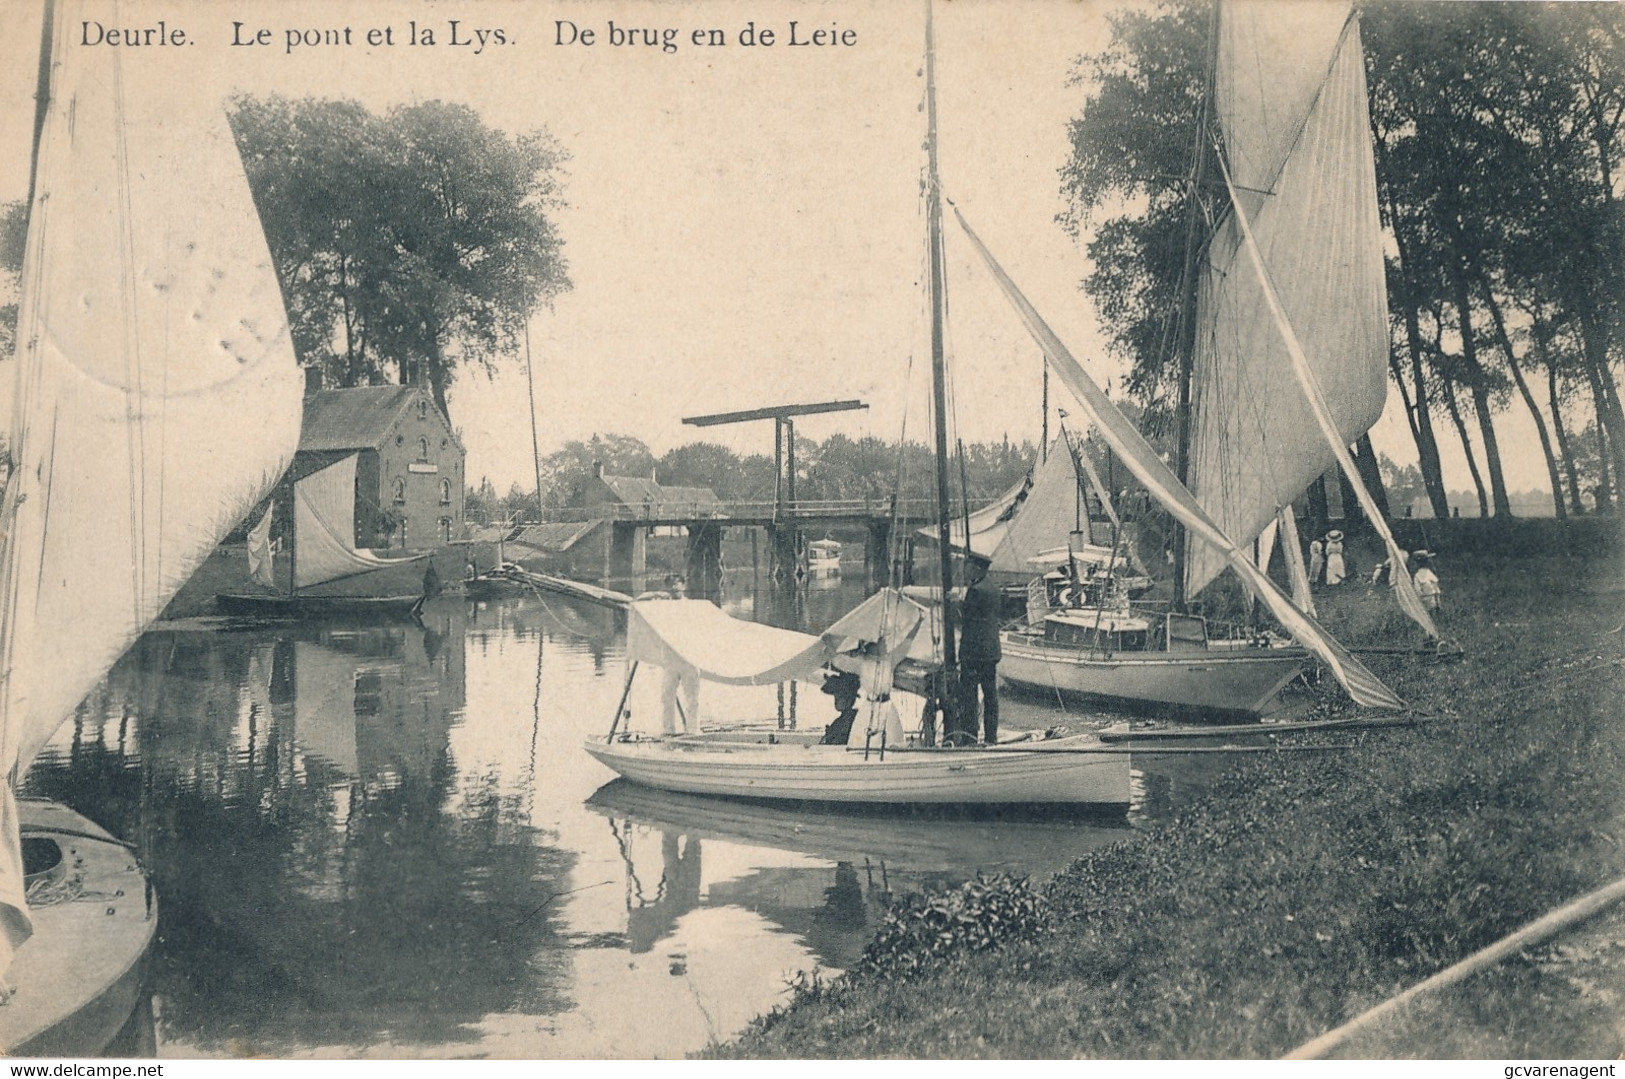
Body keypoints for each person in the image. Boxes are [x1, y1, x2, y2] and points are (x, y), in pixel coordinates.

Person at [956, 552, 1002, 746]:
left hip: (974, 652)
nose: (964, 570)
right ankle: (991, 737)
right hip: (990, 651)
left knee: (969, 695)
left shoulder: (976, 590)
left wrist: (954, 603)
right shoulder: (992, 587)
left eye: (966, 566)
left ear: (975, 567)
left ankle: (969, 736)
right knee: (990, 694)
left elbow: (966, 618)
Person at [1413, 550, 1442, 615]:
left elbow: (1418, 592)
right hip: (1431, 602)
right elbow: (1437, 590)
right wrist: (1438, 603)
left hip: (1427, 602)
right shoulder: (1429, 574)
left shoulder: (1418, 576)